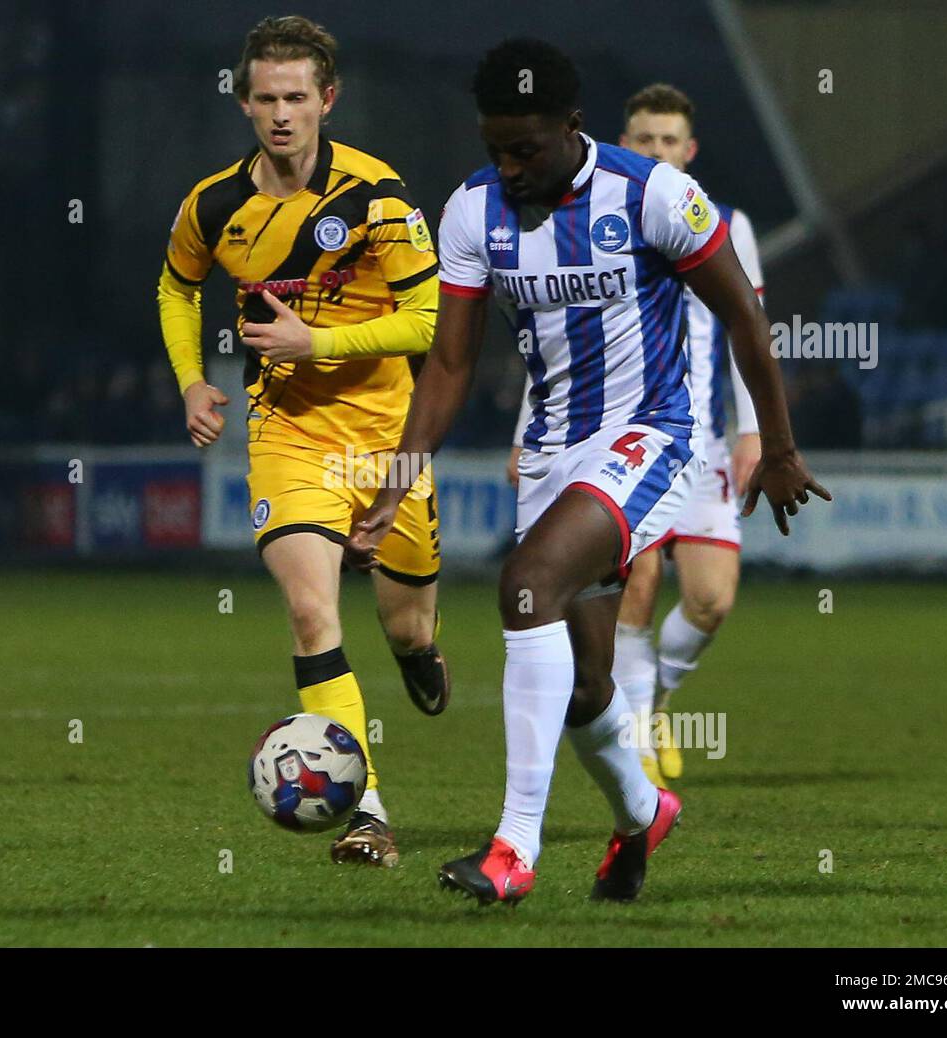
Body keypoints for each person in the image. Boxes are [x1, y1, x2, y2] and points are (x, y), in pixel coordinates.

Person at [346, 39, 828, 904]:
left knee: (525, 584)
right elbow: (450, 366)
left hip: (651, 435)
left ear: (572, 127)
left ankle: (512, 852)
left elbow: (748, 323)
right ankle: (645, 814)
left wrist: (780, 447)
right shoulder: (470, 212)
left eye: (525, 147)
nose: (509, 164)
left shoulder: (653, 196)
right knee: (587, 687)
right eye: (496, 147)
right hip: (552, 453)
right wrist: (397, 480)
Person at [158, 15, 450, 868]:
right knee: (311, 609)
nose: (281, 114)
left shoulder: (380, 197)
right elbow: (177, 287)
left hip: (391, 445)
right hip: (288, 434)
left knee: (404, 626)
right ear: (243, 102)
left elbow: (428, 319)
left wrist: (315, 343)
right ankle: (368, 813)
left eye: (296, 97)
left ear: (327, 98)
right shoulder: (214, 204)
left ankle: (419, 650)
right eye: (265, 98)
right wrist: (191, 379)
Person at [508, 83, 765, 786]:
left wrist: (754, 433)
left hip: (704, 442)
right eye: (643, 139)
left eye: (668, 140)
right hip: (619, 441)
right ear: (624, 139)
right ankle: (638, 741)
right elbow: (556, 339)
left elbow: (750, 326)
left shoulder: (723, 222)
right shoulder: (586, 215)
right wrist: (526, 427)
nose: (656, 151)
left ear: (690, 149)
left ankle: (658, 700)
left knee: (712, 598)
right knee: (638, 584)